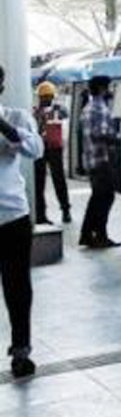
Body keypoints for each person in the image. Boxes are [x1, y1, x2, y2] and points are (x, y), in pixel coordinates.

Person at [0, 65, 44, 379]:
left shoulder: (16, 118)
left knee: (17, 287)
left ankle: (21, 351)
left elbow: (35, 149)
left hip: (12, 216)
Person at [80, 75, 121, 248]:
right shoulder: (97, 108)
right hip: (101, 160)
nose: (110, 90)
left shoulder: (92, 107)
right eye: (108, 87)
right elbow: (98, 134)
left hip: (94, 159)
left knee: (98, 197)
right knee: (104, 197)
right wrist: (118, 138)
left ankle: (88, 234)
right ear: (102, 88)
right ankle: (99, 235)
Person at [32, 81, 70, 225]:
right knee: (45, 182)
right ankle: (46, 213)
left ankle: (63, 210)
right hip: (44, 149)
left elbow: (64, 114)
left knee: (53, 181)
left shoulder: (57, 110)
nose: (46, 99)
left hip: (52, 148)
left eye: (48, 96)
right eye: (44, 97)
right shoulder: (36, 112)